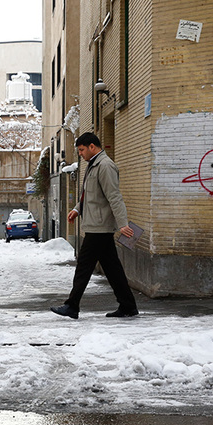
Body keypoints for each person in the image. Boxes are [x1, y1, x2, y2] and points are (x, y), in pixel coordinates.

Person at [51, 132, 138, 320]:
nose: (80, 154)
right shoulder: (92, 165)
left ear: (92, 147)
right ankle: (128, 306)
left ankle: (72, 306)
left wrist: (123, 224)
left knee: (83, 267)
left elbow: (114, 196)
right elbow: (88, 195)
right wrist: (77, 209)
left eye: (82, 150)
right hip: (95, 225)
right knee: (113, 269)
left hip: (99, 227)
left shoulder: (105, 166)